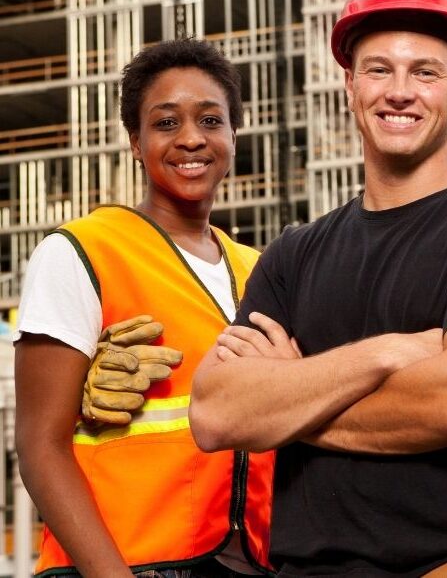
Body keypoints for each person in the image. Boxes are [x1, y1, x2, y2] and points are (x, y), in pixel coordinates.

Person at [188, 0, 447, 577]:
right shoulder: (293, 254)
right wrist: (388, 353)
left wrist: (290, 401)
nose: (399, 93)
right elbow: (217, 413)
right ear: (349, 84)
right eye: (378, 70)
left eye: (426, 73)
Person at [14, 38, 274, 576]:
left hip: (245, 562)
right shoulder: (83, 252)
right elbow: (40, 447)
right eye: (165, 123)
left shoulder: (258, 270)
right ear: (135, 142)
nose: (191, 139)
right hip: (122, 562)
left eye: (210, 120)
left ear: (233, 134)